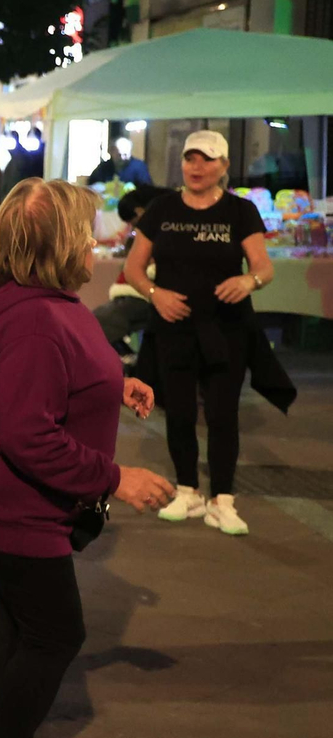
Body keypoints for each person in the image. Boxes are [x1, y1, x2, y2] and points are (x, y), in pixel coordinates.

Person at [0, 177, 174, 738]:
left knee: (26, 624)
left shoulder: (37, 303)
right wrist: (115, 478)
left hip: (9, 496)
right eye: (88, 228)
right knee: (54, 632)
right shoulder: (36, 319)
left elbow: (51, 381)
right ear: (60, 243)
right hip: (14, 501)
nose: (101, 239)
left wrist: (111, 385)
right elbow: (27, 432)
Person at [122, 130, 294, 537]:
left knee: (222, 414)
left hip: (226, 329)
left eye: (207, 160)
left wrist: (249, 282)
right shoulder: (161, 209)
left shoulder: (240, 211)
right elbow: (132, 269)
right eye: (190, 159)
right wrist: (155, 293)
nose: (197, 167)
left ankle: (223, 500)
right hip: (173, 329)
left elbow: (264, 267)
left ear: (224, 166)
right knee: (178, 412)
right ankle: (188, 491)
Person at [92, 184, 171, 365]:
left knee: (101, 321)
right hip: (139, 292)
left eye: (132, 221)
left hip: (144, 293)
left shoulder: (158, 222)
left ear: (139, 211)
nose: (131, 226)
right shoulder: (158, 221)